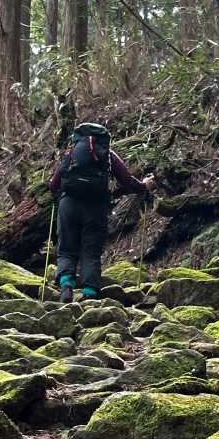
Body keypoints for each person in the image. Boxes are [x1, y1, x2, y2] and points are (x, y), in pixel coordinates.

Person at [49, 122, 155, 303]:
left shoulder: (71, 154)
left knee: (66, 249)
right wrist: (144, 185)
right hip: (95, 207)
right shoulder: (107, 156)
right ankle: (90, 295)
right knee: (91, 251)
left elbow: (53, 185)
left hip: (69, 205)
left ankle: (66, 287)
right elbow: (127, 181)